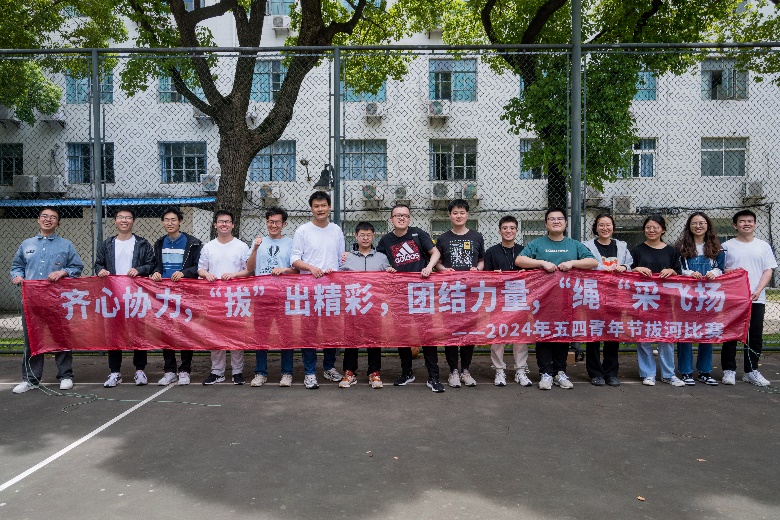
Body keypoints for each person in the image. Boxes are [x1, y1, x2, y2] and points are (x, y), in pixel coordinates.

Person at [515, 207, 598, 390]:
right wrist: (541, 263)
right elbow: (520, 260)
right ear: (546, 223)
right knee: (543, 335)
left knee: (562, 334)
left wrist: (573, 263)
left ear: (565, 223)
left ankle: (560, 372)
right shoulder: (537, 244)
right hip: (542, 300)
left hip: (567, 300)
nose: (556, 221)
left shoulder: (574, 245)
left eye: (560, 219)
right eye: (552, 219)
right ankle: (545, 373)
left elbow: (592, 262)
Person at [10, 207, 85, 394]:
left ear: (58, 223)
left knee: (61, 337)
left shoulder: (66, 245)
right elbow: (17, 266)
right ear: (38, 220)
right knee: (32, 340)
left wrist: (63, 272)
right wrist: (17, 276)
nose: (48, 219)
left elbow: (77, 267)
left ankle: (66, 376)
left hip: (57, 301)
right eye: (44, 216)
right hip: (31, 302)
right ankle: (30, 379)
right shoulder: (26, 244)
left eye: (53, 217)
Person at [376, 203, 445, 393]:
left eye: (405, 215)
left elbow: (435, 252)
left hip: (421, 292)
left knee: (427, 334)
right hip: (399, 294)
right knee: (403, 334)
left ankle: (433, 376)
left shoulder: (418, 234)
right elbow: (378, 261)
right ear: (391, 219)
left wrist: (429, 267)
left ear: (409, 218)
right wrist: (387, 269)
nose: (401, 218)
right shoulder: (386, 240)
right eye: (398, 215)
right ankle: (407, 372)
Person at [95, 207, 156, 388]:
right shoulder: (107, 244)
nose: (124, 220)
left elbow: (151, 264)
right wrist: (101, 271)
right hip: (113, 297)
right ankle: (115, 372)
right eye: (120, 217)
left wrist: (139, 270)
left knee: (139, 333)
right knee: (114, 335)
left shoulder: (142, 243)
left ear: (133, 221)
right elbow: (98, 264)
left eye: (128, 217)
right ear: (115, 221)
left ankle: (140, 371)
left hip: (136, 296)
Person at [290, 191, 344, 389]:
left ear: (329, 207)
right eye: (316, 206)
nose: (320, 209)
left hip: (331, 290)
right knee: (309, 331)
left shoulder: (336, 230)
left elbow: (340, 259)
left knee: (331, 330)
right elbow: (294, 259)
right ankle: (310, 372)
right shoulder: (303, 231)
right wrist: (311, 268)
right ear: (311, 208)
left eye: (323, 205)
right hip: (309, 290)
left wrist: (336, 268)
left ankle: (329, 367)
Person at [721, 209, 777, 387]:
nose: (746, 223)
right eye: (742, 221)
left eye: (750, 221)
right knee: (731, 334)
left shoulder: (763, 246)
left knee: (754, 335)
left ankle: (751, 371)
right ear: (734, 225)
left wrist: (758, 290)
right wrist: (731, 272)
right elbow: (720, 269)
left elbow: (768, 270)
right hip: (733, 298)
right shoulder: (727, 246)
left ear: (755, 224)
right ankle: (728, 370)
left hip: (756, 297)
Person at [198, 210, 253, 385]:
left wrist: (235, 275)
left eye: (227, 221)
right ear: (215, 225)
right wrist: (206, 274)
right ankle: (217, 372)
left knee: (236, 335)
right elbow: (201, 269)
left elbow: (249, 271)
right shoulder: (208, 247)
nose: (224, 224)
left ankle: (237, 371)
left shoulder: (242, 246)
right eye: (221, 221)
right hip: (214, 298)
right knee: (215, 335)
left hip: (236, 298)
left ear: (233, 225)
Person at [245, 207, 298, 388]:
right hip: (262, 295)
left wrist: (284, 270)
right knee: (261, 334)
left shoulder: (291, 243)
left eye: (277, 222)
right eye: (270, 222)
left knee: (286, 335)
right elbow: (250, 268)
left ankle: (287, 372)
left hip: (284, 295)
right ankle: (260, 372)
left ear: (284, 224)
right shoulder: (259, 242)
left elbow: (297, 270)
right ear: (266, 222)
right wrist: (255, 248)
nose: (273, 225)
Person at [630, 214, 685, 388]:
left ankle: (668, 374)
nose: (651, 230)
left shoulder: (671, 251)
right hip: (643, 299)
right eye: (648, 227)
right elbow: (627, 271)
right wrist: (636, 269)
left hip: (666, 301)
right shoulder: (637, 250)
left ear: (663, 230)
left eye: (655, 227)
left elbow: (679, 272)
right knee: (644, 337)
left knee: (666, 338)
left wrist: (672, 271)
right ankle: (648, 373)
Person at [435, 199, 485, 388]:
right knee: (451, 331)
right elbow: (437, 262)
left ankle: (465, 370)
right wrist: (443, 270)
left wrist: (477, 270)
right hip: (450, 293)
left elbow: (482, 260)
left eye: (462, 212)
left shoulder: (477, 236)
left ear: (467, 215)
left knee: (468, 332)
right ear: (449, 215)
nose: (459, 216)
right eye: (455, 213)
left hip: (471, 293)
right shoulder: (443, 238)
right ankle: (453, 371)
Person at [150, 207, 202, 386]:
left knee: (185, 331)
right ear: (162, 222)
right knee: (166, 332)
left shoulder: (193, 243)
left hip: (185, 293)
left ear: (180, 221)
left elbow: (198, 266)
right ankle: (170, 371)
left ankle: (185, 370)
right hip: (164, 294)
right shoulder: (159, 243)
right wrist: (156, 272)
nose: (170, 223)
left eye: (173, 220)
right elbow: (155, 265)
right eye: (166, 220)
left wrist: (184, 273)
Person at [582, 213, 633, 387]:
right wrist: (604, 268)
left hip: (616, 296)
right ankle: (595, 373)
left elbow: (630, 264)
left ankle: (611, 372)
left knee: (613, 333)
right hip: (594, 295)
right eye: (601, 225)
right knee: (594, 335)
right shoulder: (587, 245)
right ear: (596, 228)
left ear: (613, 227)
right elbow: (585, 265)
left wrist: (624, 266)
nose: (605, 228)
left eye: (608, 225)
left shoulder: (622, 246)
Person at [338, 222, 391, 389]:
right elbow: (339, 279)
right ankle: (349, 372)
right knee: (351, 339)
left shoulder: (382, 258)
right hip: (353, 305)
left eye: (369, 235)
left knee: (374, 340)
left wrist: (391, 273)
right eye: (362, 235)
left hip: (374, 306)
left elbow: (388, 281)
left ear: (373, 236)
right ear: (356, 236)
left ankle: (374, 372)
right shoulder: (347, 258)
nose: (365, 238)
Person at [675, 212, 725, 386]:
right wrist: (688, 273)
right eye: (694, 223)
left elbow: (721, 268)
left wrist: (714, 273)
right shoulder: (681, 247)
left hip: (709, 296)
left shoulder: (717, 248)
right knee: (685, 333)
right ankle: (686, 371)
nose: (698, 226)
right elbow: (677, 269)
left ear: (708, 225)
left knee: (707, 333)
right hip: (687, 296)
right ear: (689, 226)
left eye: (702, 223)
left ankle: (705, 371)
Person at [483, 215, 533, 387]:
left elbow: (533, 276)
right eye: (505, 228)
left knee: (520, 336)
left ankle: (520, 370)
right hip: (499, 299)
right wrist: (494, 275)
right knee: (498, 335)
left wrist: (525, 274)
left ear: (517, 231)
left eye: (512, 228)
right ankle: (499, 370)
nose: (508, 231)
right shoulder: (491, 252)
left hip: (520, 298)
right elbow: (485, 277)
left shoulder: (525, 251)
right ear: (499, 231)